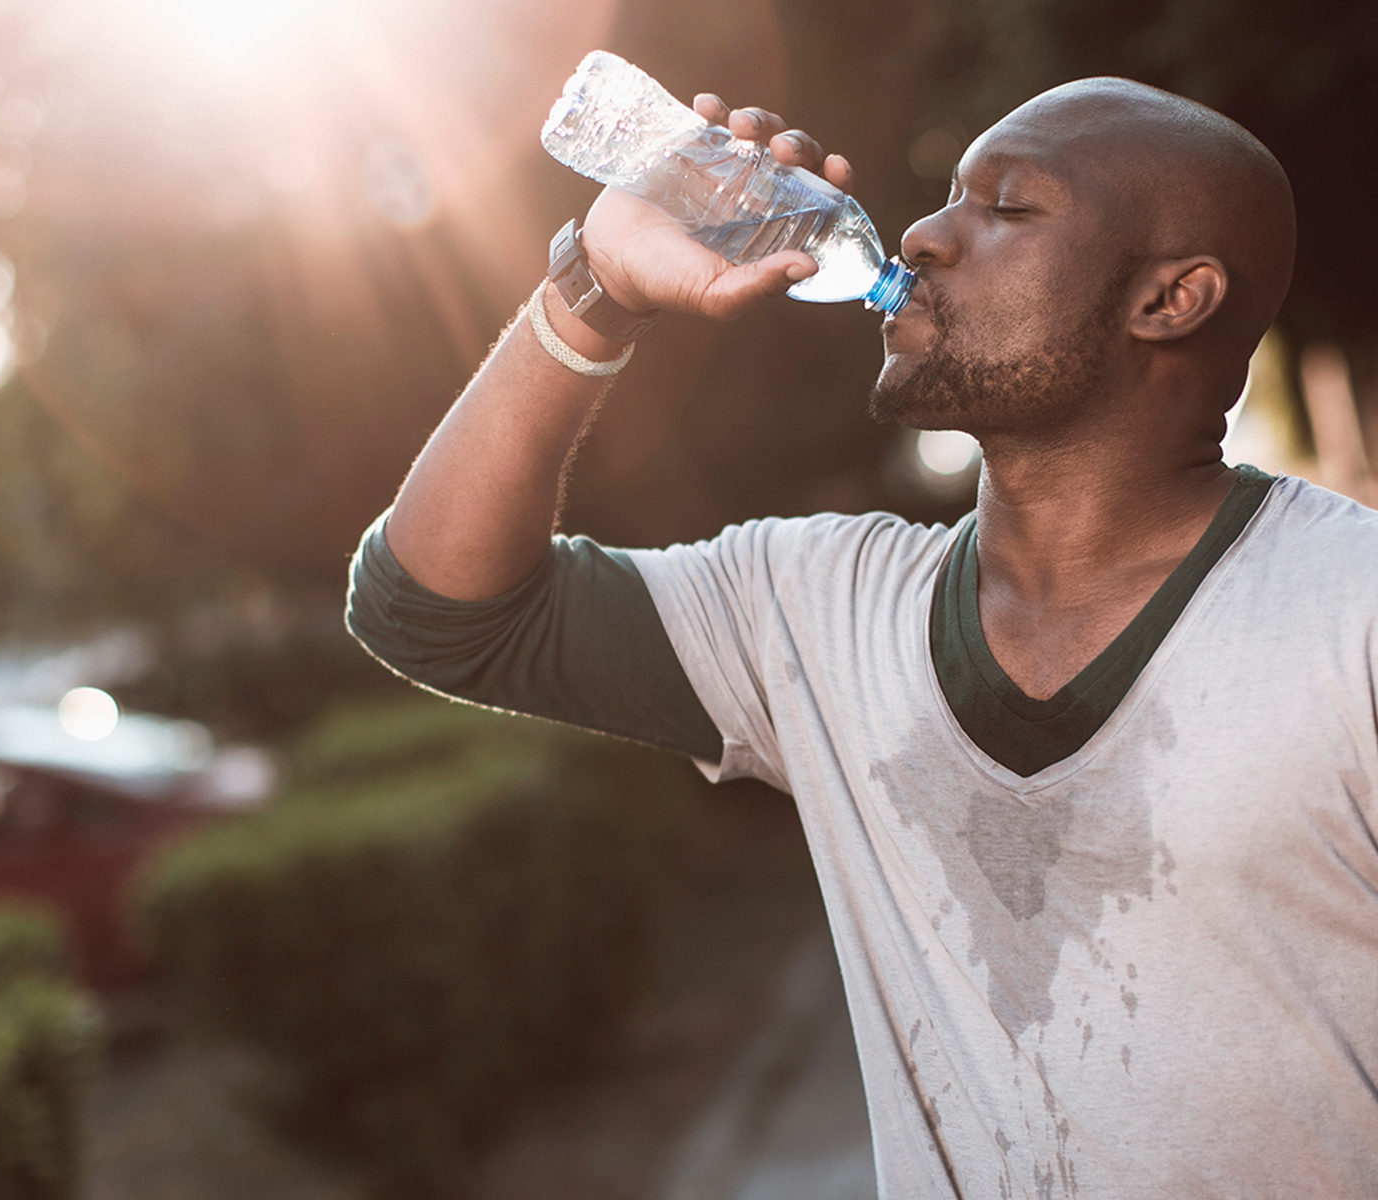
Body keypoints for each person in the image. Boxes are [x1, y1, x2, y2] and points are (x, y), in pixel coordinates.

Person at [345, 76, 1378, 1197]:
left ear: (1169, 299)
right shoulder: (815, 605)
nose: (926, 233)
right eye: (944, 199)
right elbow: (430, 611)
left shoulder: (1346, 614)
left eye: (1007, 208)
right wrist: (594, 289)